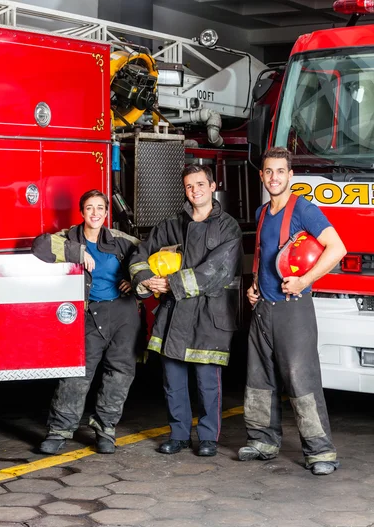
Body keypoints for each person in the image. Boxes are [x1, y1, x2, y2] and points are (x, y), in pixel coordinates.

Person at [238, 147, 346, 475]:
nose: (274, 177)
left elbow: (337, 248)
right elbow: (265, 252)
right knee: (259, 379)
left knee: (301, 379)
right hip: (264, 310)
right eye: (268, 171)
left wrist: (304, 280)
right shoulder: (261, 213)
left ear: (290, 175)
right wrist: (255, 284)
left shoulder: (303, 209)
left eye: (280, 172)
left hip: (293, 310)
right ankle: (263, 440)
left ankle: (320, 452)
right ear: (262, 175)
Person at [129, 165, 243, 457]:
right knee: (173, 381)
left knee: (207, 383)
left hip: (208, 316)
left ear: (212, 186)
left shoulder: (228, 226)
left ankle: (207, 439)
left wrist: (170, 283)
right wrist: (145, 279)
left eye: (200, 184)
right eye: (190, 186)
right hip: (175, 315)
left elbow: (216, 270)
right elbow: (140, 253)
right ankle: (178, 435)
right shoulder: (171, 224)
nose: (195, 191)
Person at [32, 189, 141, 455]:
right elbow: (40, 246)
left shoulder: (120, 240)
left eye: (100, 208)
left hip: (122, 313)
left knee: (120, 373)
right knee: (77, 374)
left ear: (106, 212)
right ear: (82, 212)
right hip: (89, 314)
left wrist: (134, 278)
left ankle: (106, 429)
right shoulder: (69, 237)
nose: (95, 213)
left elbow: (145, 255)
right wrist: (77, 252)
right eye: (89, 208)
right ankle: (59, 431)